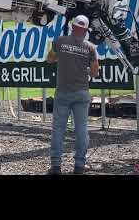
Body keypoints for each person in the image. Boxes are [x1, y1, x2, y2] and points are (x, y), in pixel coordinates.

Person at [46, 15, 99, 175]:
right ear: (86, 30)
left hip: (62, 92)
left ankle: (56, 167)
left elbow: (49, 60)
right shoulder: (90, 48)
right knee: (82, 130)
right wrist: (88, 70)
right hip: (81, 92)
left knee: (58, 130)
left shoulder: (60, 42)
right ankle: (79, 167)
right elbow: (95, 72)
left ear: (72, 26)